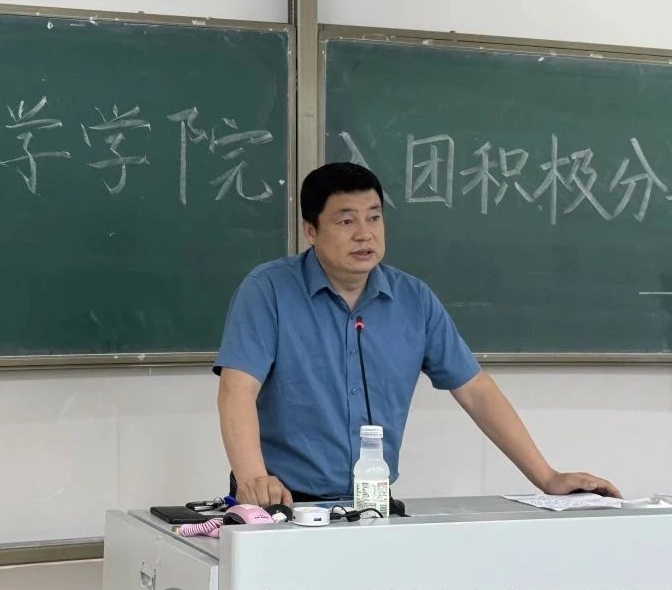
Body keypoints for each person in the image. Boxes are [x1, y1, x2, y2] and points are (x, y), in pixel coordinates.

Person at [214, 161, 621, 508]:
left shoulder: (413, 299)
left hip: (371, 502)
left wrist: (547, 477)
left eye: (374, 217)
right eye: (346, 221)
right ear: (311, 230)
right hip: (282, 502)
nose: (364, 233)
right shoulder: (268, 291)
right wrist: (254, 480)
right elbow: (237, 390)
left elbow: (476, 390)